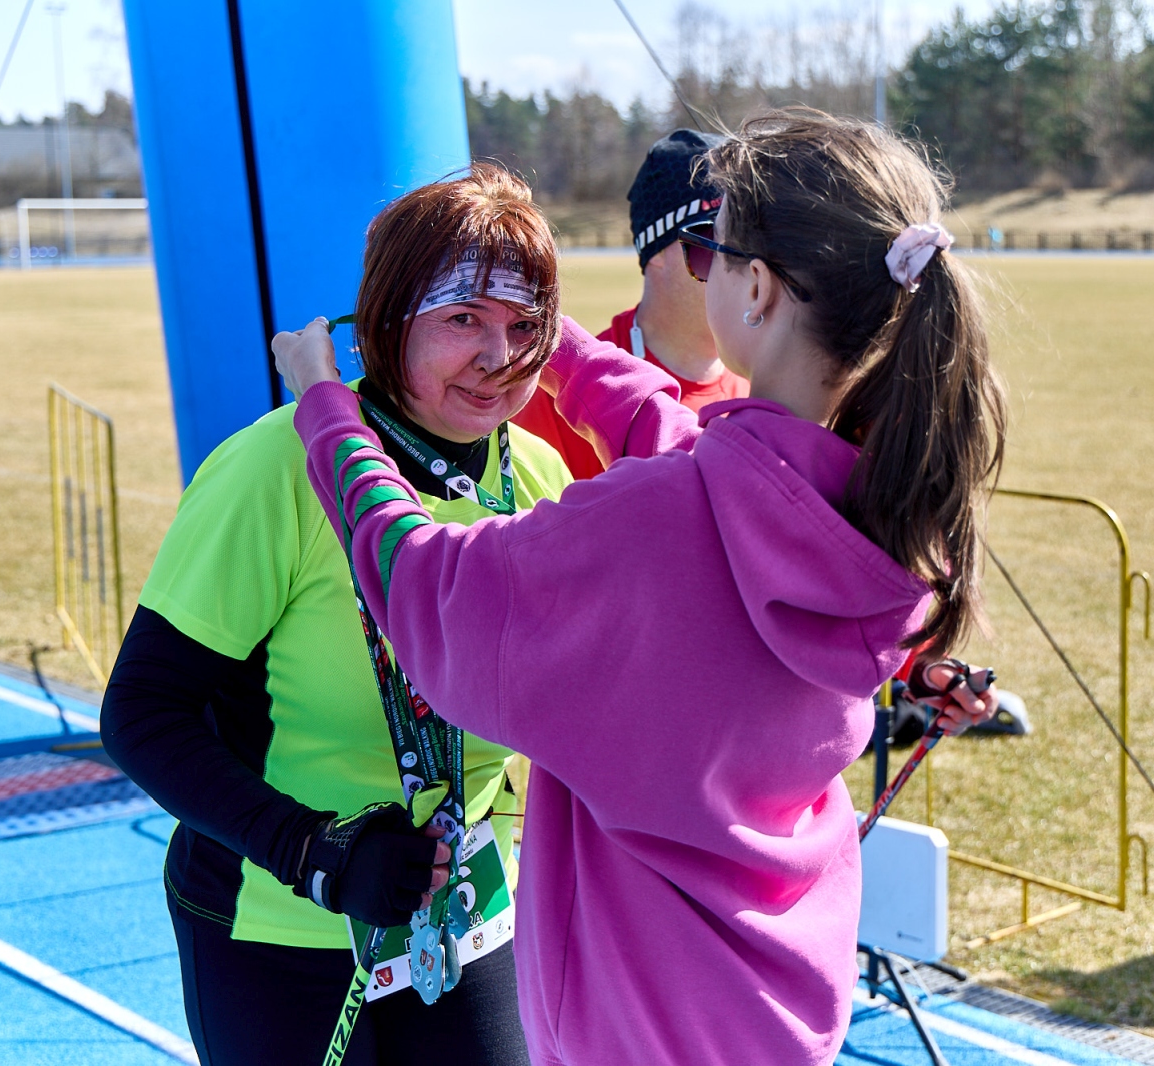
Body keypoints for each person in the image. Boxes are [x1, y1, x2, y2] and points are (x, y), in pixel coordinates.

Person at [275, 110, 1005, 1066]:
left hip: (636, 1027)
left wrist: (326, 410)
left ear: (757, 288)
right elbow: (708, 458)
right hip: (779, 1007)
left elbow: (424, 588)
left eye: (716, 255)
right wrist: (557, 348)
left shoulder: (651, 521)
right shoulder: (881, 503)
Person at [101, 165, 573, 1066]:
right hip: (281, 925)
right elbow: (141, 716)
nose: (497, 355)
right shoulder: (272, 469)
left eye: (523, 326)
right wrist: (317, 852)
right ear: (387, 323)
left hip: (469, 918)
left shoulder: (541, 480)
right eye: (463, 319)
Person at [513, 128, 746, 479]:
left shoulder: (769, 384)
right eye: (712, 241)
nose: (743, 264)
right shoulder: (562, 394)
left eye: (752, 243)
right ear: (656, 251)